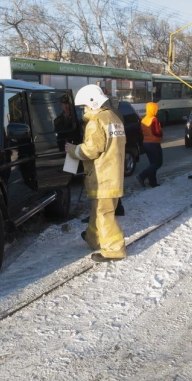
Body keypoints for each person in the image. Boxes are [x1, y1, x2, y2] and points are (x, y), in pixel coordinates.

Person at [65, 84, 126, 263]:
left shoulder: (96, 121)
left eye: (84, 106)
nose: (83, 110)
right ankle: (93, 238)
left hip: (103, 177)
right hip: (113, 173)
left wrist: (72, 150)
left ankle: (114, 250)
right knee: (99, 210)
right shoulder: (113, 117)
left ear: (92, 103)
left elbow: (91, 151)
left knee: (104, 214)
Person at [136, 102, 163, 188]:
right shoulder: (153, 119)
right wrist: (161, 134)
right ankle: (141, 176)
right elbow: (156, 132)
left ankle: (153, 182)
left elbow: (141, 132)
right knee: (158, 163)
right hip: (154, 143)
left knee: (152, 163)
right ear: (154, 109)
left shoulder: (144, 119)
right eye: (156, 109)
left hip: (146, 143)